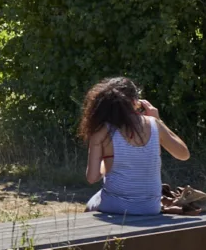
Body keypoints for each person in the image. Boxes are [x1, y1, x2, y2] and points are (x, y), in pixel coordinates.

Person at [81, 76, 190, 215]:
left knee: (91, 204)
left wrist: (107, 162)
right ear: (135, 102)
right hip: (150, 208)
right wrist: (159, 121)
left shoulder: (101, 132)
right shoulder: (154, 125)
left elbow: (92, 178)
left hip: (113, 205)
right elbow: (183, 154)